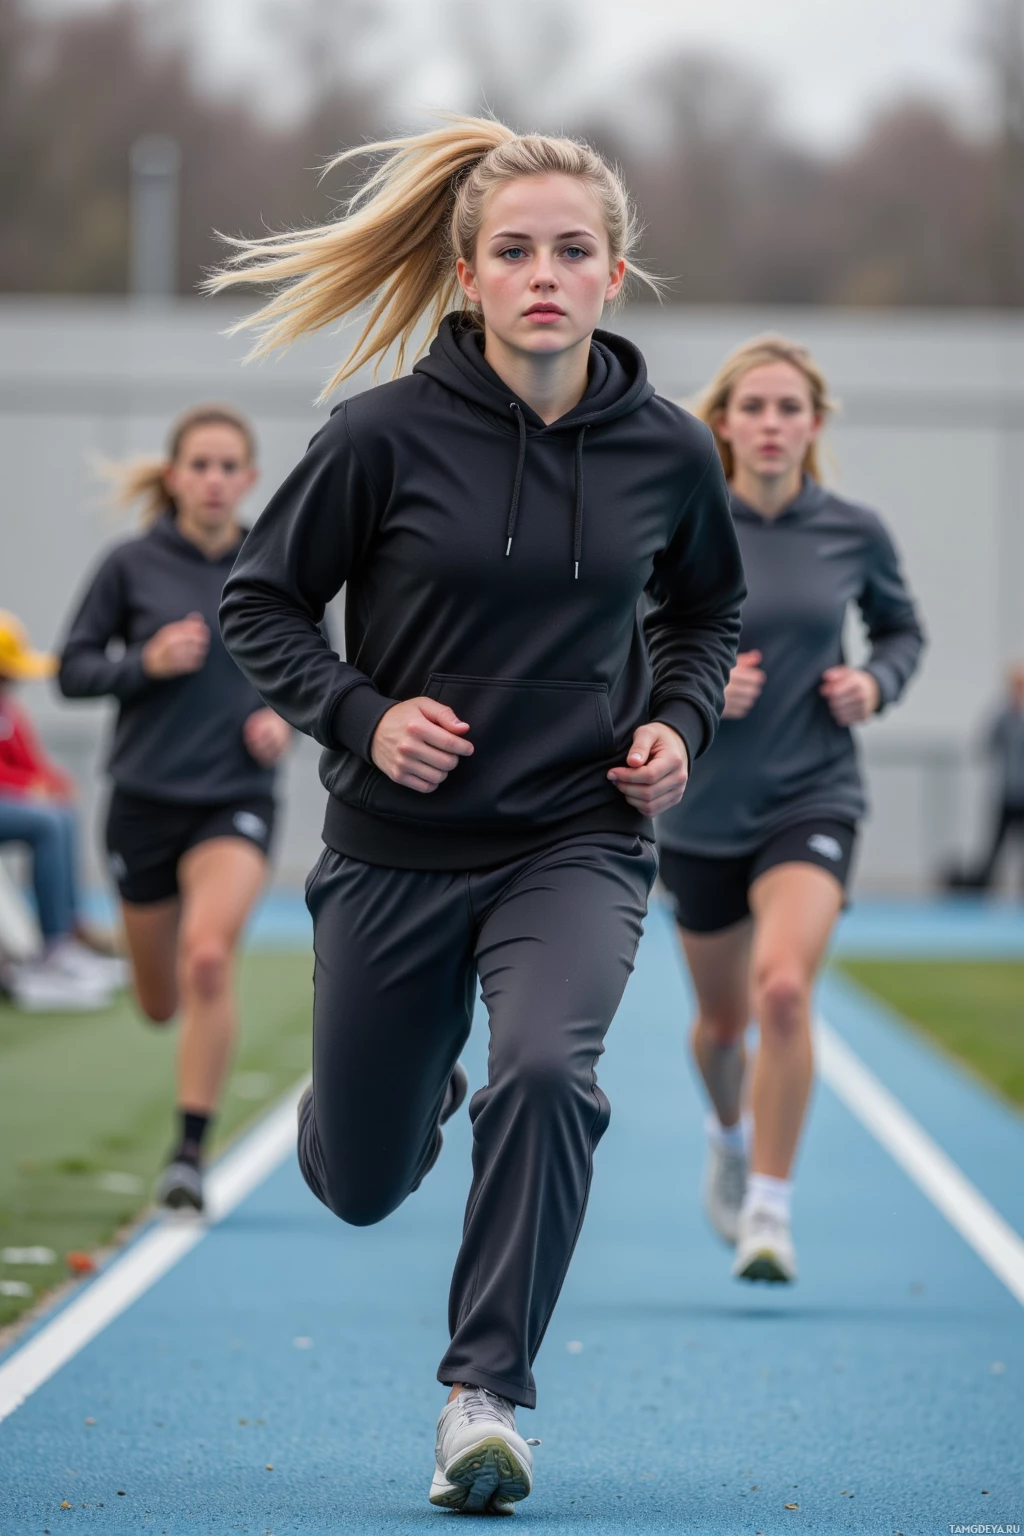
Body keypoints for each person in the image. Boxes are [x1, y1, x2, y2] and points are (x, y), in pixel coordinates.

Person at [207, 116, 745, 1513]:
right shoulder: (379, 438)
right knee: (365, 1181)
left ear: (614, 274)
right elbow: (259, 602)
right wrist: (364, 714)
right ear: (467, 277)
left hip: (576, 838)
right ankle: (393, 1086)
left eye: (573, 249)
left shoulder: (669, 454)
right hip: (392, 850)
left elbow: (704, 611)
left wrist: (677, 730)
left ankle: (484, 1397)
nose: (545, 273)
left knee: (553, 1074)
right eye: (515, 251)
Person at [657, 334, 925, 1285]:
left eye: (790, 409)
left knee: (783, 990)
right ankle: (728, 1140)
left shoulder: (854, 528)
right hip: (699, 806)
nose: (772, 425)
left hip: (814, 792)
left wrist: (875, 682)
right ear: (724, 421)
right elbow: (620, 640)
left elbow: (900, 629)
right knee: (721, 1028)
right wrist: (687, 688)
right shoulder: (682, 522)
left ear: (814, 424)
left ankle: (770, 1211)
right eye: (754, 408)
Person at [57, 406, 291, 1212]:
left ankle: (189, 1154)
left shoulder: (274, 561)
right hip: (144, 804)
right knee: (160, 1001)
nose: (216, 481)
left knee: (208, 959)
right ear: (174, 476)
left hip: (235, 801)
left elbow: (315, 668)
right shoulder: (130, 566)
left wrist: (284, 720)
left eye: (230, 466)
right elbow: (72, 671)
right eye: (201, 465)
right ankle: (157, 998)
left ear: (250, 479)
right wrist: (142, 663)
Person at [0, 612, 121, 1010]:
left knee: (61, 813)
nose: (12, 682)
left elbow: (31, 765)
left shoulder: (10, 713)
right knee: (47, 823)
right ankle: (52, 949)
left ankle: (68, 934)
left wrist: (49, 785)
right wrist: (26, 790)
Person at [972, 664, 1024, 893]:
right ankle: (984, 889)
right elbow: (988, 742)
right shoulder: (1004, 715)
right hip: (1007, 791)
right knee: (995, 845)